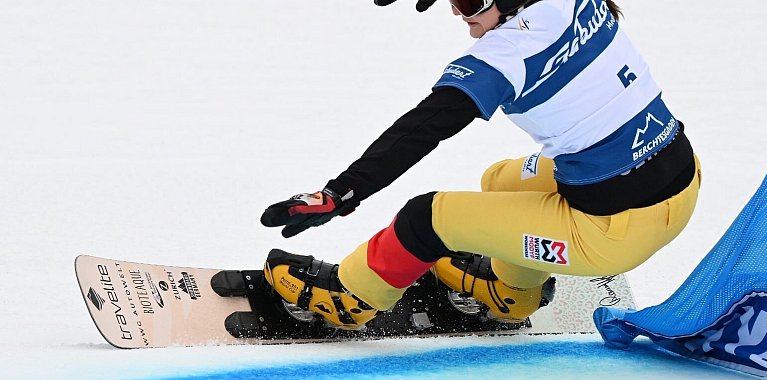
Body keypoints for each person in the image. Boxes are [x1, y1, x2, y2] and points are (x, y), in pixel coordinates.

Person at [260, 0, 701, 330]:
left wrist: (340, 192)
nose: (457, 12)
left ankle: (350, 298)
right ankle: (513, 291)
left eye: (469, 2)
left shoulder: (505, 54)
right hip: (683, 182)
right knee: (502, 180)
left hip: (607, 235)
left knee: (426, 219)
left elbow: (422, 128)